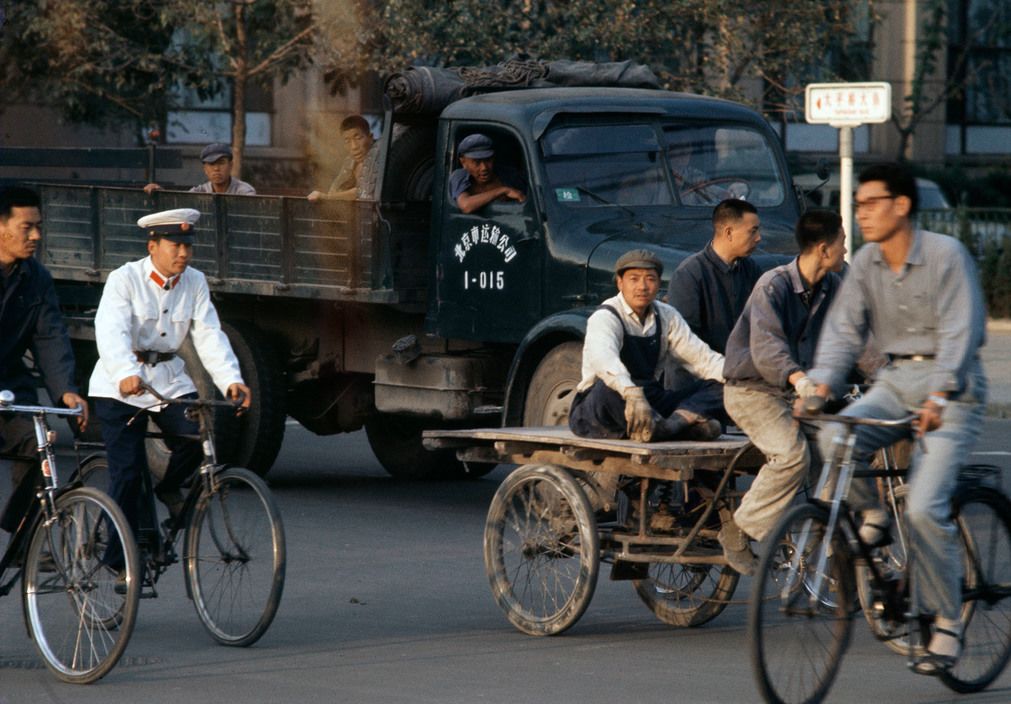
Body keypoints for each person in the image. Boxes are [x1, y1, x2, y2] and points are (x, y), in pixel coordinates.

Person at [804, 162, 987, 676]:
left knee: (926, 509)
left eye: (869, 203)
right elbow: (843, 331)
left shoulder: (947, 256)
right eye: (857, 205)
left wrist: (942, 394)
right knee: (834, 433)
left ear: (901, 206)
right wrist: (821, 383)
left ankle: (947, 624)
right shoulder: (864, 263)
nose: (860, 213)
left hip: (952, 388)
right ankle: (874, 517)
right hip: (895, 381)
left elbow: (961, 332)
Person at [89, 208, 252, 545]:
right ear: (153, 246)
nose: (183, 253)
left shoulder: (195, 281)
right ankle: (119, 559)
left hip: (168, 379)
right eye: (174, 245)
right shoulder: (125, 278)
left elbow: (209, 334)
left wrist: (231, 380)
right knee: (128, 473)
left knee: (199, 434)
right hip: (119, 387)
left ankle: (168, 488)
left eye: (187, 246)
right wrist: (124, 372)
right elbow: (111, 330)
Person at [716, 209, 847, 574]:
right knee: (792, 455)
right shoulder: (772, 286)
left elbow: (855, 338)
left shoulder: (832, 286)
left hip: (797, 393)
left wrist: (886, 372)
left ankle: (826, 538)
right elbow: (767, 348)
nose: (845, 252)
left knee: (840, 447)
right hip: (752, 390)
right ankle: (739, 530)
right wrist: (800, 380)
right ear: (823, 249)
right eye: (842, 244)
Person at [568, 249, 725, 444]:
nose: (642, 287)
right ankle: (677, 428)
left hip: (650, 399)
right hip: (604, 405)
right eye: (634, 279)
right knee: (606, 389)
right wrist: (631, 393)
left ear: (659, 284)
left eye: (650, 279)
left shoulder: (667, 315)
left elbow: (702, 359)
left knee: (725, 387)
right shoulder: (605, 317)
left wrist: (741, 379)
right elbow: (604, 359)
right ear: (620, 283)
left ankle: (673, 425)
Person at [0, 186, 88, 532]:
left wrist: (66, 391)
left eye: (39, 226)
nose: (36, 235)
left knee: (40, 442)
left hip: (8, 388)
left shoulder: (36, 278)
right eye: (26, 227)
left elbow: (50, 337)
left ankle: (25, 537)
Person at [666, 198, 763, 424]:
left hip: (738, 381)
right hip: (697, 388)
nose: (759, 238)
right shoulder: (689, 274)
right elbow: (685, 347)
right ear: (728, 232)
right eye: (753, 231)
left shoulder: (751, 270)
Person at [307, 115, 379, 202]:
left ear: (370, 137)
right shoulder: (349, 162)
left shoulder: (380, 159)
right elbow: (334, 190)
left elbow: (362, 192)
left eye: (358, 138)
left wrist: (326, 197)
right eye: (347, 141)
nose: (354, 146)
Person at [449, 134, 526, 214]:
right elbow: (466, 206)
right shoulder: (459, 176)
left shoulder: (509, 175)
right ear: (463, 162)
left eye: (488, 160)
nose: (484, 168)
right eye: (477, 162)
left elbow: (524, 199)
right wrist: (504, 190)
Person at [144, 143, 256, 196]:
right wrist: (160, 192)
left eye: (221, 163)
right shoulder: (200, 191)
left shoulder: (244, 191)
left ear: (230, 165)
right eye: (211, 164)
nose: (216, 169)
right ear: (205, 169)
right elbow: (181, 204)